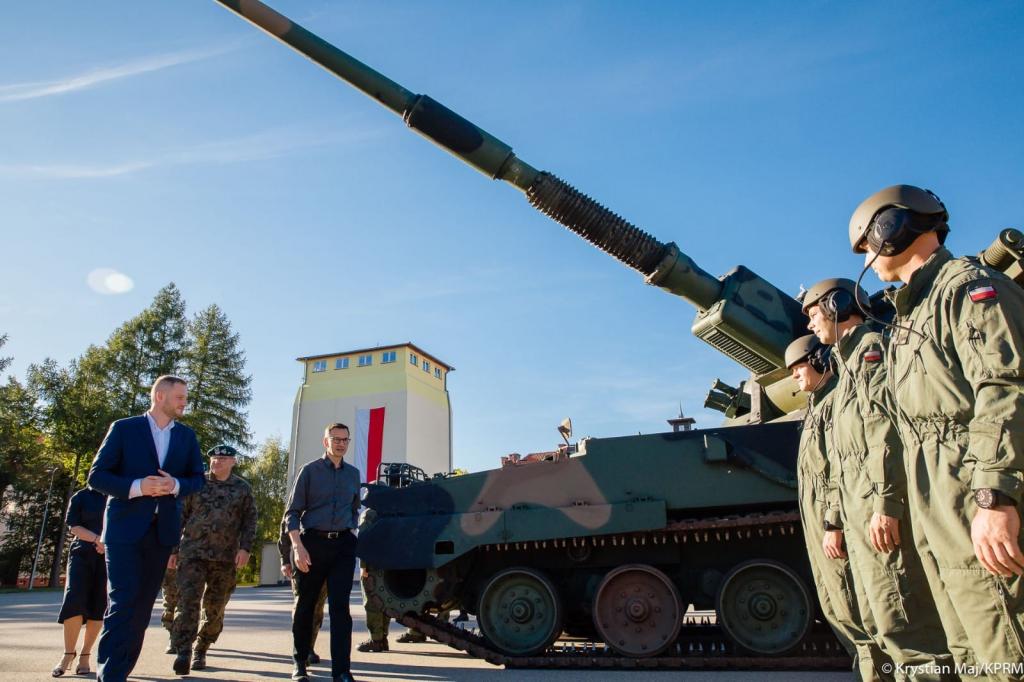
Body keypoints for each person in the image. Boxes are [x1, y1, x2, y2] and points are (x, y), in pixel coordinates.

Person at [850, 184, 1024, 678]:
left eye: (866, 241)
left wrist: (995, 496)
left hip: (972, 498)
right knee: (968, 657)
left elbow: (1005, 388)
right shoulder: (909, 321)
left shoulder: (966, 289)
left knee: (1005, 648)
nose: (866, 255)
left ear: (891, 230)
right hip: (938, 510)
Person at [804, 278, 956, 679]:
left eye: (814, 313)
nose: (810, 325)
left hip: (876, 509)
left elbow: (882, 434)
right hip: (859, 510)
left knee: (905, 624)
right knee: (881, 623)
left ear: (838, 306)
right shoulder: (850, 366)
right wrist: (837, 517)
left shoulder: (871, 351)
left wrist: (884, 504)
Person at [785, 335, 892, 681]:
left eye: (798, 367)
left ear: (818, 362)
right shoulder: (818, 407)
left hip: (835, 520)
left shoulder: (833, 405)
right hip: (820, 520)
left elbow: (838, 468)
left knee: (860, 609)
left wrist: (832, 521)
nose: (794, 377)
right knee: (840, 610)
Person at [87, 375, 205, 682]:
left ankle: (120, 671)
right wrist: (139, 486)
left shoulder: (186, 437)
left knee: (140, 610)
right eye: (180, 396)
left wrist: (174, 484)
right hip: (124, 531)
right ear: (161, 397)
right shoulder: (124, 429)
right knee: (123, 601)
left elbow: (198, 479)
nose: (185, 402)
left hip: (162, 534)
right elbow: (97, 477)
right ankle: (110, 675)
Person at [169, 444, 257, 675]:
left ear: (233, 462)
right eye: (214, 459)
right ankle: (184, 651)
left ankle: (202, 647)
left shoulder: (242, 488)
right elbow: (180, 517)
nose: (216, 462)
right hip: (192, 554)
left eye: (222, 459)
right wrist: (172, 550)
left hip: (225, 558)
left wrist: (245, 549)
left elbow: (249, 521)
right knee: (187, 603)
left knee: (215, 608)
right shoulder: (195, 484)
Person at [285, 422, 361, 682]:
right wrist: (297, 547)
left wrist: (350, 531)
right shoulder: (309, 471)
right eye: (335, 438)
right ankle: (300, 663)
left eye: (344, 439)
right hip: (311, 545)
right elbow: (292, 513)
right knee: (305, 607)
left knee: (341, 610)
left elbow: (354, 508)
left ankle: (341, 671)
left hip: (342, 547)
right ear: (325, 441)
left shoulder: (353, 474)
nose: (340, 443)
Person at [52, 486, 108, 678]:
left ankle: (85, 655)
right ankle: (68, 654)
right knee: (74, 600)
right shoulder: (81, 496)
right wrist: (96, 539)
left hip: (109, 555)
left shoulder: (118, 495)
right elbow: (73, 526)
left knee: (98, 605)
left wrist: (107, 543)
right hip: (82, 552)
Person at [279, 518, 328, 664]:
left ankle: (309, 648)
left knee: (317, 608)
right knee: (301, 606)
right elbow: (285, 530)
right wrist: (285, 560)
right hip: (300, 563)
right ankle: (300, 649)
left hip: (323, 561)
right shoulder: (298, 501)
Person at [160, 567, 178, 652]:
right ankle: (173, 636)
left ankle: (188, 637)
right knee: (170, 597)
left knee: (191, 599)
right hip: (170, 558)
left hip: (194, 557)